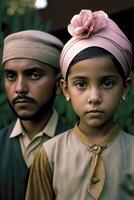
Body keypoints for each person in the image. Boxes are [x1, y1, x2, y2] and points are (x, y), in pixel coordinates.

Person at [26, 10, 134, 200]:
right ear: (65, 89)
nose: (94, 97)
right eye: (81, 84)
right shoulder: (49, 155)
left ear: (125, 87)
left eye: (107, 83)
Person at [0, 30, 70, 200]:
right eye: (11, 76)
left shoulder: (82, 150)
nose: (19, 88)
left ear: (60, 85)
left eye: (34, 75)